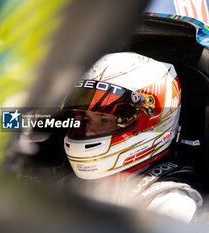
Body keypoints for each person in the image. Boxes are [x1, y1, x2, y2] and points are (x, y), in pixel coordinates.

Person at [60, 52, 203, 223]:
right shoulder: (72, 183)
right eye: (85, 119)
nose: (89, 131)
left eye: (105, 119)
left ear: (150, 121)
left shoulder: (170, 201)